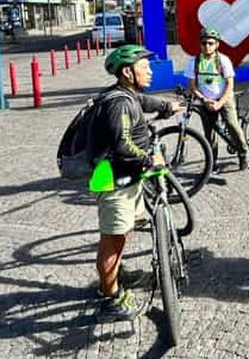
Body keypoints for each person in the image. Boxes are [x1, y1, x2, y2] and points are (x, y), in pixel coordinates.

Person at [92, 44, 183, 321]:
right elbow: (122, 145)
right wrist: (149, 160)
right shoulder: (119, 103)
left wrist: (167, 106)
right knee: (113, 238)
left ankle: (116, 274)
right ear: (128, 72)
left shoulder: (127, 95)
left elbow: (145, 102)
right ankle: (109, 299)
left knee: (124, 232)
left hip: (127, 177)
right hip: (114, 180)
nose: (150, 72)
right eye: (145, 68)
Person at [183, 27, 249, 171]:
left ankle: (244, 153)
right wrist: (204, 100)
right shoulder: (193, 62)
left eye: (211, 43)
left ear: (217, 44)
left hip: (223, 98)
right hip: (205, 100)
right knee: (209, 134)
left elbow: (230, 85)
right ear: (200, 44)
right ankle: (213, 163)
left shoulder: (223, 60)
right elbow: (193, 87)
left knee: (232, 125)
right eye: (204, 43)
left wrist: (220, 103)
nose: (207, 46)